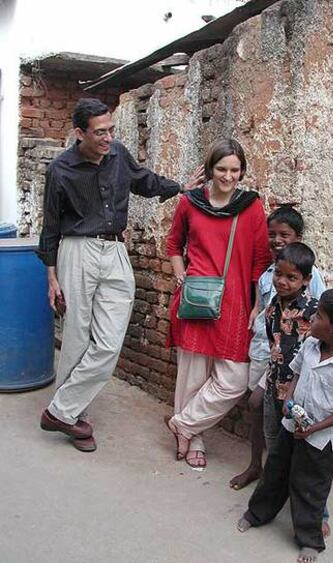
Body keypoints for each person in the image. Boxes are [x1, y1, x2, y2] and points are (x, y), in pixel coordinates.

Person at [37, 97, 204, 452]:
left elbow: (144, 180)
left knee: (110, 341)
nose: (108, 137)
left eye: (111, 129)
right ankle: (72, 415)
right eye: (100, 132)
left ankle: (59, 411)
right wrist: (51, 276)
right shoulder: (60, 170)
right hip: (76, 249)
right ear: (79, 133)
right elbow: (50, 225)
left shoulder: (118, 156)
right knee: (77, 337)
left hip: (115, 251)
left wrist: (180, 188)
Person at [237, 289, 333, 563]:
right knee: (275, 472)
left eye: (318, 316)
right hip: (290, 426)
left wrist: (316, 427)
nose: (312, 318)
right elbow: (297, 371)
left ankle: (309, 540)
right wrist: (289, 396)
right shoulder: (309, 344)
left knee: (310, 487)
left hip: (320, 441)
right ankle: (257, 513)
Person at [164, 138, 270, 469]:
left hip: (237, 303)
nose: (228, 176)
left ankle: (183, 423)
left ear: (242, 171)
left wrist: (255, 304)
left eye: (235, 170)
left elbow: (260, 259)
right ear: (210, 170)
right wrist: (181, 277)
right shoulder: (189, 202)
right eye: (221, 169)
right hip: (196, 298)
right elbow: (173, 244)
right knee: (192, 374)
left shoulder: (251, 206)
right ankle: (195, 440)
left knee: (235, 379)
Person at [230, 206, 325, 491]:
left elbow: (317, 316)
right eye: (272, 234)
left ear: (298, 237)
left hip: (295, 363)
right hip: (267, 352)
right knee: (258, 406)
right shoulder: (268, 274)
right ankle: (257, 466)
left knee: (289, 417)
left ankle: (289, 482)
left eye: (285, 234)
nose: (277, 239)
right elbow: (265, 309)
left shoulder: (311, 275)